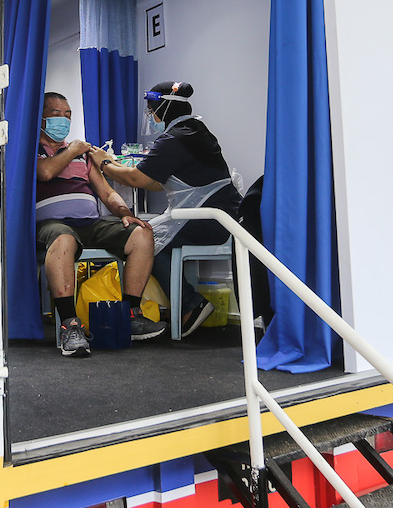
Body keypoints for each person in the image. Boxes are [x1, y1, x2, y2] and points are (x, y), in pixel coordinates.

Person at [89, 81, 242, 338]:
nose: (152, 117)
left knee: (148, 241)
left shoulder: (175, 138)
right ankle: (185, 304)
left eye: (152, 111)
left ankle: (191, 305)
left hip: (208, 219)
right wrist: (117, 167)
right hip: (221, 215)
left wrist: (104, 164)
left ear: (164, 109)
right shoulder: (196, 131)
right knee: (151, 236)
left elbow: (138, 180)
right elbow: (157, 182)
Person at [37, 92, 166, 357]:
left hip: (91, 223)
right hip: (53, 226)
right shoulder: (32, 150)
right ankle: (70, 325)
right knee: (63, 240)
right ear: (41, 118)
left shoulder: (84, 157)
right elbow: (45, 173)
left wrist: (125, 213)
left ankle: (130, 313)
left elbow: (107, 193)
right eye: (56, 114)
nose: (64, 119)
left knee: (141, 233)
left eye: (68, 114)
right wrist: (71, 149)